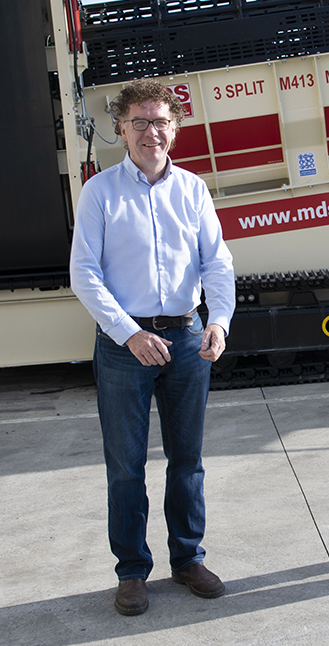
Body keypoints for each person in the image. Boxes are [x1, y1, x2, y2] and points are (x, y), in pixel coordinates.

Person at [70, 79, 235, 614]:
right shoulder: (99, 192)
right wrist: (129, 333)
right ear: (120, 129)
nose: (150, 131)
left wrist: (220, 321)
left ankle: (187, 559)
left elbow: (217, 262)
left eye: (160, 121)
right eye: (138, 121)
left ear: (174, 130)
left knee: (187, 460)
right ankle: (132, 571)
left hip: (187, 339)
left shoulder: (193, 189)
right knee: (126, 465)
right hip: (125, 346)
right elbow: (84, 272)